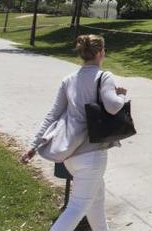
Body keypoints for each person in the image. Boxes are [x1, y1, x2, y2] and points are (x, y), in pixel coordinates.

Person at [20, 34, 128, 231]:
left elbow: (52, 115)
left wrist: (34, 146)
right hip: (92, 155)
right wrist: (121, 95)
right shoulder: (104, 77)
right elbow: (113, 107)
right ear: (101, 53)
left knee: (95, 202)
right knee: (77, 208)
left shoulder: (68, 80)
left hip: (70, 155)